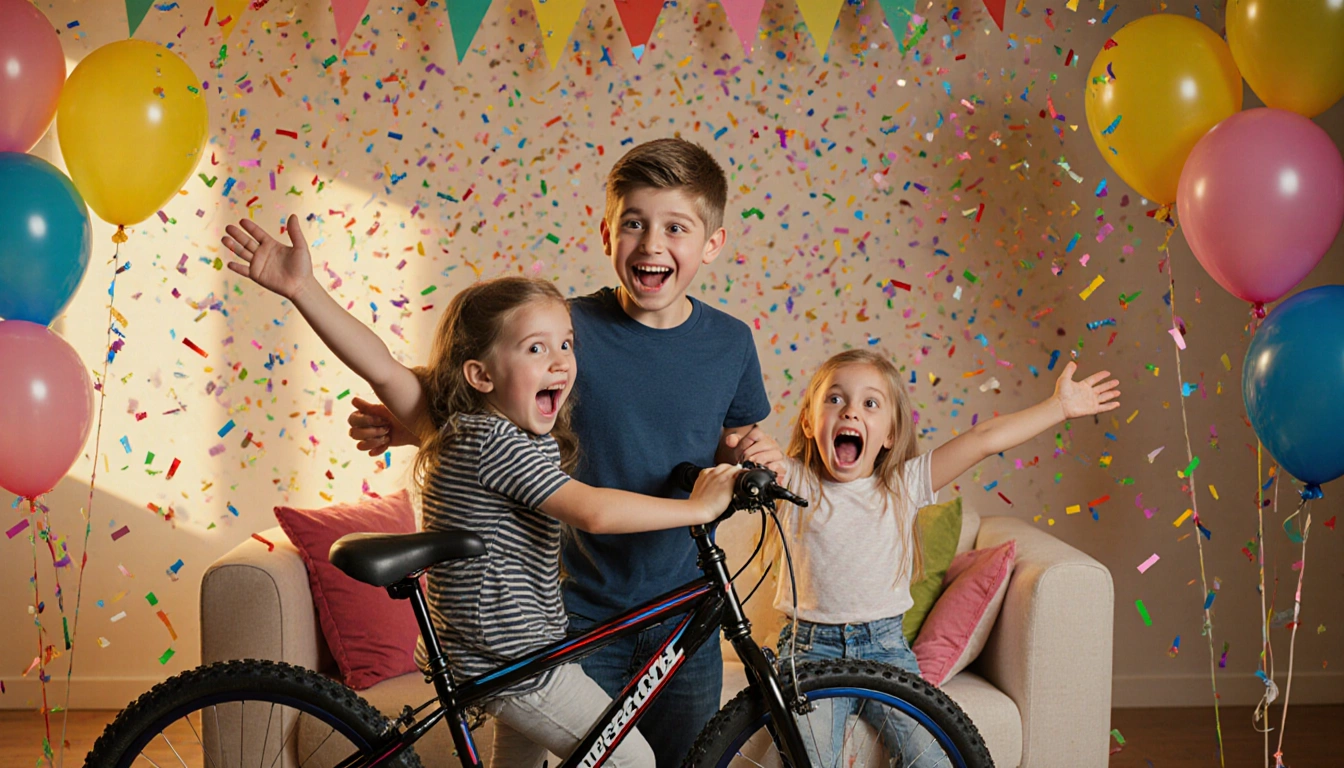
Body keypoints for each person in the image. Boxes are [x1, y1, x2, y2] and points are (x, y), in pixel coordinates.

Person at [222, 218, 742, 767]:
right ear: (480, 375)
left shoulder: (471, 427)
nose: (561, 360)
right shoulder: (494, 441)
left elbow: (388, 372)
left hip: (516, 654)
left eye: (565, 343)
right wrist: (698, 506)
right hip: (514, 662)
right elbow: (591, 511)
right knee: (632, 761)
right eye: (536, 348)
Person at [347, 137, 784, 766]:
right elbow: (487, 398)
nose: (652, 243)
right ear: (608, 233)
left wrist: (748, 454)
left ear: (711, 245)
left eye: (675, 227)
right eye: (634, 223)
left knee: (687, 759)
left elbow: (726, 442)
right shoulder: (564, 331)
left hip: (682, 606)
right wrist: (413, 420)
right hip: (575, 612)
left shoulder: (731, 343)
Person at [771, 348, 1120, 765]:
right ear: (809, 422)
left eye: (869, 403)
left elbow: (982, 440)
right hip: (809, 649)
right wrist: (746, 447)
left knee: (931, 759)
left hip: (885, 649)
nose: (849, 412)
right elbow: (737, 461)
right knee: (807, 760)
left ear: (889, 435)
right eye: (834, 399)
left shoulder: (903, 484)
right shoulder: (792, 480)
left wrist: (1056, 407)